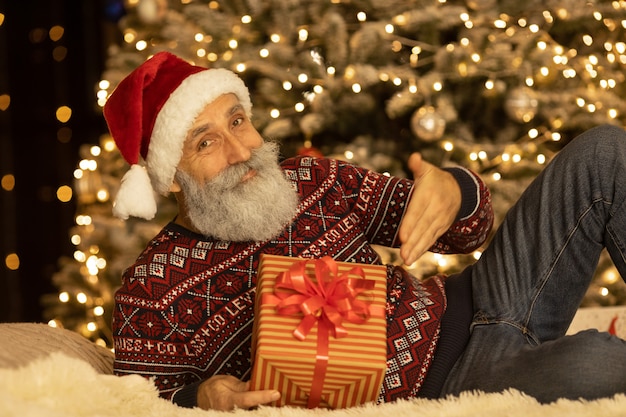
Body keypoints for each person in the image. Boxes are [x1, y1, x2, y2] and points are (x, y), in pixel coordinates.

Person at [104, 51, 626, 411]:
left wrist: (454, 192)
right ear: (169, 174)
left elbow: (468, 232)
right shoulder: (151, 292)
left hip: (486, 295)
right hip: (454, 385)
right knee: (599, 364)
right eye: (205, 142)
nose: (241, 151)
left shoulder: (312, 180)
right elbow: (138, 401)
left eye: (238, 121)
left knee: (603, 153)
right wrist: (200, 399)